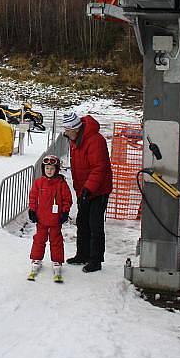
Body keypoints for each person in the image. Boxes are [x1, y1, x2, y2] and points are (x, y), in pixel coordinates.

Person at [62, 111, 112, 273]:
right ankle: (82, 254)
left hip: (98, 190)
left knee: (95, 225)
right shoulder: (75, 139)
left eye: (67, 130)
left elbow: (99, 168)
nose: (65, 133)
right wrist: (81, 190)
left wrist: (88, 189)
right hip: (83, 189)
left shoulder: (95, 141)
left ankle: (96, 259)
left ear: (75, 129)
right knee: (82, 222)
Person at [28, 154, 73, 281]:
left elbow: (67, 199)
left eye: (52, 168)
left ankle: (57, 261)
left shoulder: (61, 183)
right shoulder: (38, 183)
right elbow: (33, 197)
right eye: (47, 168)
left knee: (56, 241)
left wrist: (65, 212)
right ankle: (36, 259)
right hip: (41, 219)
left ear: (56, 169)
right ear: (43, 169)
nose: (49, 171)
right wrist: (32, 210)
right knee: (39, 240)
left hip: (55, 219)